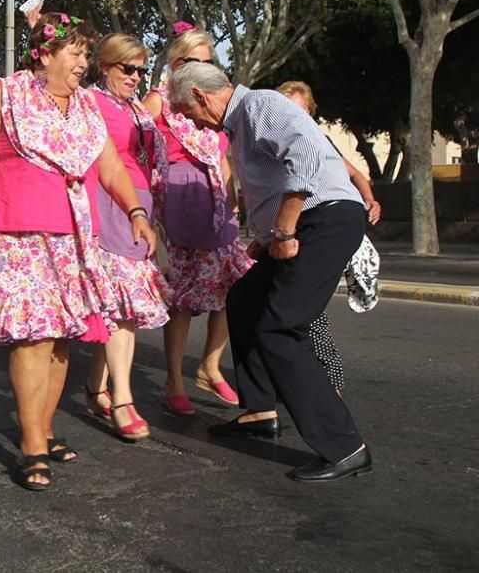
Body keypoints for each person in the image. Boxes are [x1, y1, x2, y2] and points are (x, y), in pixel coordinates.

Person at [0, 12, 154, 491]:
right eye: (76, 53)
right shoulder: (6, 93)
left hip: (75, 238)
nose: (83, 63)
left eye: (87, 54)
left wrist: (136, 212)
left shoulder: (86, 106)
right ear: (44, 54)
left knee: (64, 338)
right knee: (34, 336)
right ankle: (31, 445)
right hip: (15, 231)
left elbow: (109, 166)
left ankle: (43, 428)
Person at [168, 62, 373, 482]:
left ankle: (344, 446)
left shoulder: (260, 104)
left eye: (185, 110)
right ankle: (260, 410)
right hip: (307, 222)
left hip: (325, 219)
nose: (187, 119)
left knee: (280, 326)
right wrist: (266, 236)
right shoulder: (239, 126)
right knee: (245, 299)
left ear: (201, 97)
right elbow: (277, 178)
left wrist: (284, 228)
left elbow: (307, 155)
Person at [142, 24, 252, 416]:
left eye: (208, 61)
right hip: (177, 195)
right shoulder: (158, 100)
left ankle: (209, 364)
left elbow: (222, 155)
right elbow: (138, 151)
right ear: (175, 62)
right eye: (193, 60)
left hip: (215, 197)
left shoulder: (214, 100)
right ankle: (173, 380)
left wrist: (233, 193)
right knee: (183, 298)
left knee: (234, 282)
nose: (202, 68)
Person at [84, 33, 172, 441]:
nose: (136, 76)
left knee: (119, 303)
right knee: (123, 306)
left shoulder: (135, 107)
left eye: (141, 69)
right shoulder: (91, 102)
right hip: (109, 202)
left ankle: (95, 385)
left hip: (139, 203)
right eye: (127, 68)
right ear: (105, 66)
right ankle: (123, 398)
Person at [278, 81, 383, 393]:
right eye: (285, 110)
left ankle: (327, 380)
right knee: (285, 305)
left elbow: (355, 174)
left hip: (318, 229)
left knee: (304, 309)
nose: (293, 118)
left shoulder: (318, 142)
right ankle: (299, 376)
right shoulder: (273, 140)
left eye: (300, 111)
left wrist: (370, 199)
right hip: (287, 231)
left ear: (310, 113)